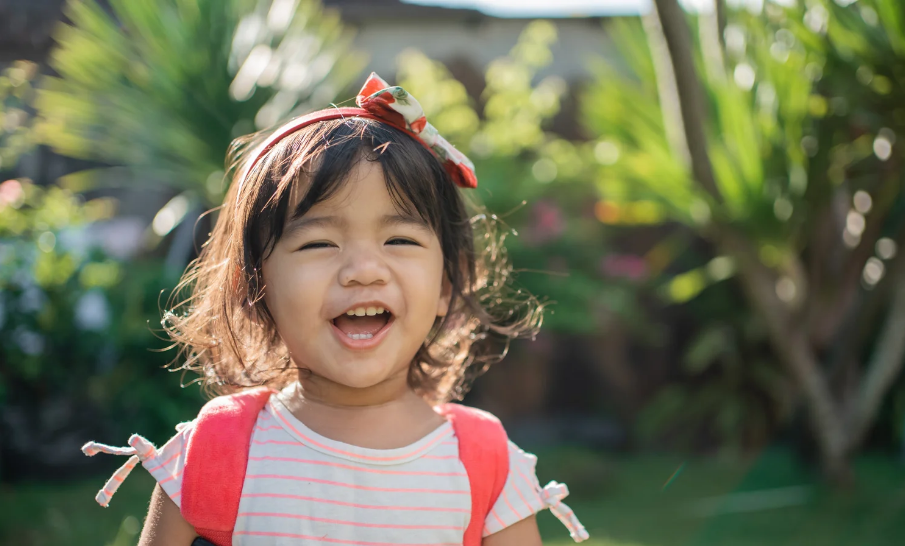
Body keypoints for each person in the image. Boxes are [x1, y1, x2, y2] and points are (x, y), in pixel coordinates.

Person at [82, 73, 588, 546]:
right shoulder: (216, 453)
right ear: (255, 287)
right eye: (319, 243)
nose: (364, 269)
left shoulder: (485, 465)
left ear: (445, 284)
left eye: (399, 239)